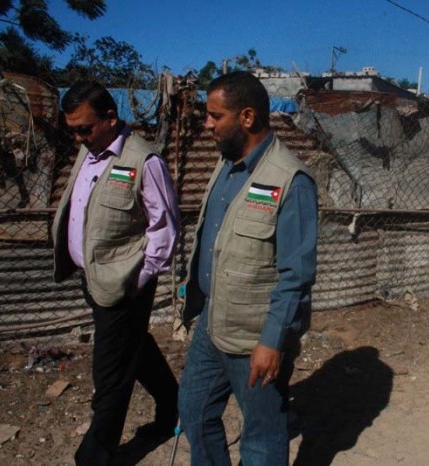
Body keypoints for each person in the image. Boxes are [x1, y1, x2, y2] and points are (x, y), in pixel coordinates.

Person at [178, 72, 318, 465]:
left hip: (257, 335)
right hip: (213, 321)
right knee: (193, 409)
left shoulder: (291, 181)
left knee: (261, 436)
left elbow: (297, 275)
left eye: (215, 116)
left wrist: (272, 342)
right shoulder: (226, 165)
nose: (207, 124)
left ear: (247, 117)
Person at [51, 81, 180, 465]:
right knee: (132, 347)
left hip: (125, 284)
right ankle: (174, 405)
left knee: (110, 374)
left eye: (84, 129)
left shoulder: (145, 161)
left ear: (110, 118)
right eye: (72, 130)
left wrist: (135, 280)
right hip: (92, 279)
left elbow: (165, 230)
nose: (77, 138)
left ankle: (95, 455)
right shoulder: (89, 150)